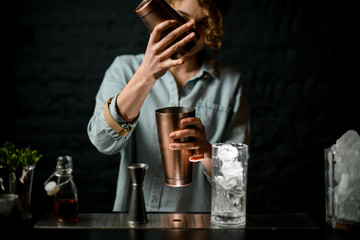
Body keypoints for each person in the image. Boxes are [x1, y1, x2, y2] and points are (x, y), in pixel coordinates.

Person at [87, 0, 250, 212]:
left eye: (202, 23)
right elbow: (102, 141)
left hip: (196, 224)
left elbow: (234, 181)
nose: (190, 32)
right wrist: (146, 75)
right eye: (181, 19)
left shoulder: (230, 83)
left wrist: (209, 152)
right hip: (134, 220)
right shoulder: (124, 70)